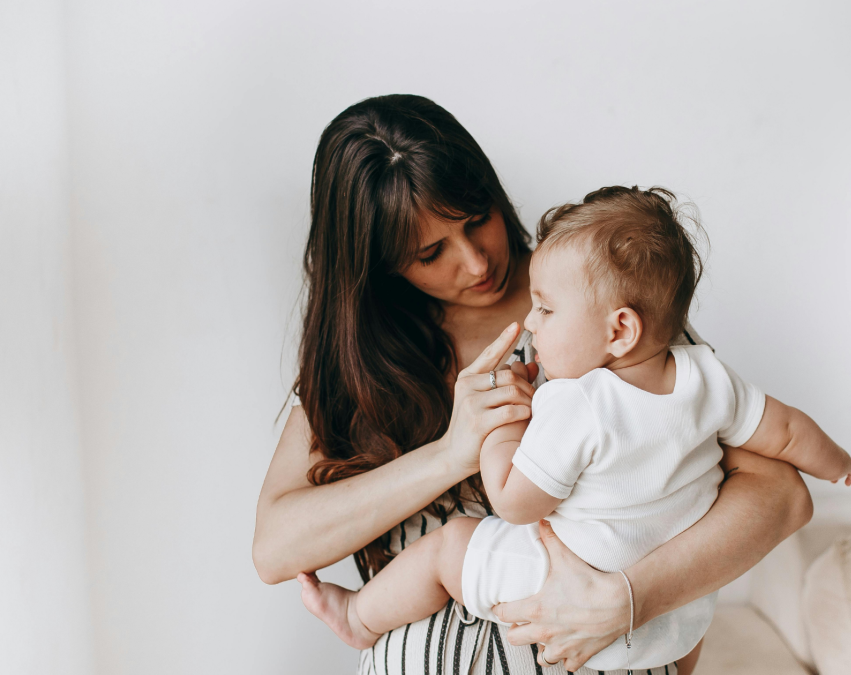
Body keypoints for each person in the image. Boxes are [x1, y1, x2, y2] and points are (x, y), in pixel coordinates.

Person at [252, 95, 814, 675]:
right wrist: (450, 454)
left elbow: (781, 494)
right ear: (380, 263)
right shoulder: (358, 361)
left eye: (477, 221)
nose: (474, 263)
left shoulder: (597, 301)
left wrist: (628, 598)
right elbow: (274, 551)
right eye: (431, 253)